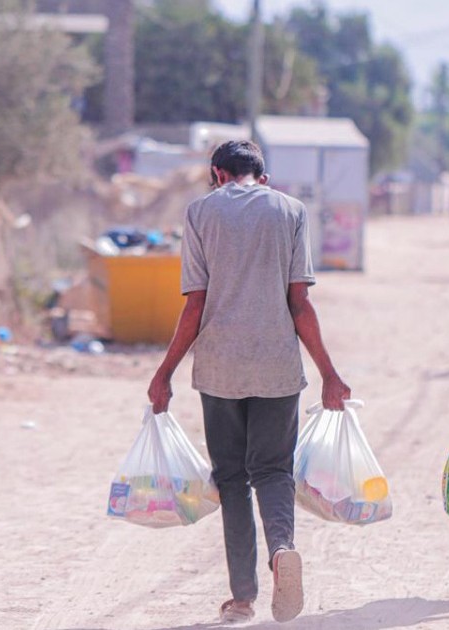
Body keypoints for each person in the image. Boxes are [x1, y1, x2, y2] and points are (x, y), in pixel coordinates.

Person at [148, 140, 351, 624]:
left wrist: (164, 372)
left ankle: (242, 597)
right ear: (262, 174)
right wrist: (329, 372)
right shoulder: (291, 211)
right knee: (274, 471)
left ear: (217, 173)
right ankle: (283, 549)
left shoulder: (201, 213)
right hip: (279, 367)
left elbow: (194, 305)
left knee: (233, 478)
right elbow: (299, 303)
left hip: (219, 369)